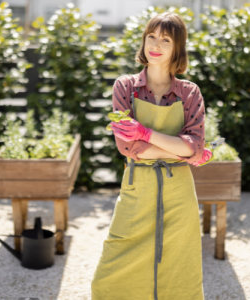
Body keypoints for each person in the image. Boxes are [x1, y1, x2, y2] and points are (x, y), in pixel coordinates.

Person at [91, 12, 206, 300]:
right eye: (151, 36)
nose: (155, 44)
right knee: (112, 267)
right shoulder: (125, 87)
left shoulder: (190, 93)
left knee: (179, 267)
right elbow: (128, 149)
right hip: (137, 186)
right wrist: (180, 151)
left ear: (177, 48)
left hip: (179, 193)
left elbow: (194, 144)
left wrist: (144, 133)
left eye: (165, 40)